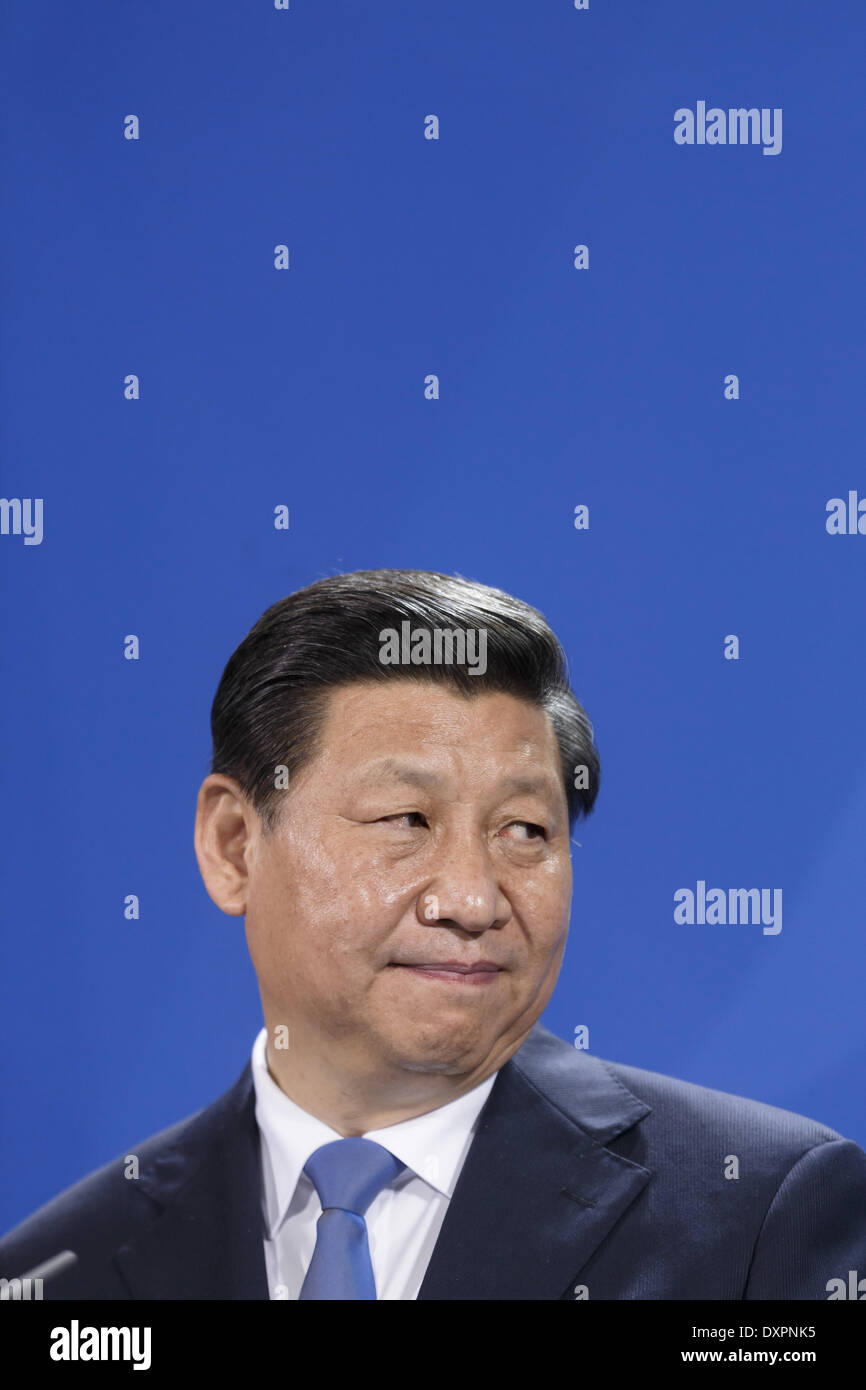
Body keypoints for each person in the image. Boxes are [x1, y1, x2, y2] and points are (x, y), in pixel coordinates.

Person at [2, 569, 865, 1300]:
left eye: (525, 831)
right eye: (406, 818)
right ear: (235, 846)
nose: (471, 899)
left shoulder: (762, 1218)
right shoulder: (62, 1272)